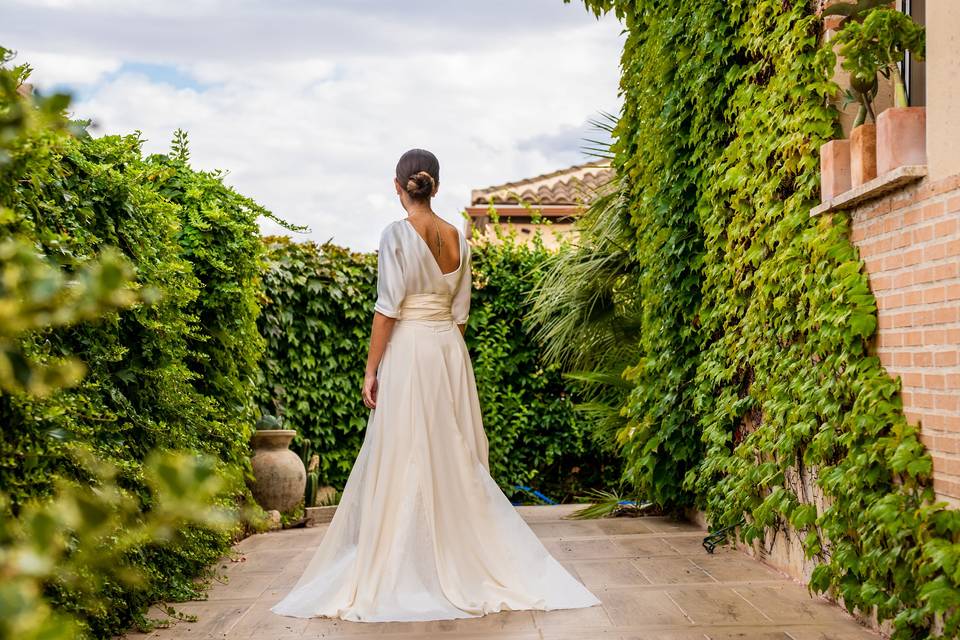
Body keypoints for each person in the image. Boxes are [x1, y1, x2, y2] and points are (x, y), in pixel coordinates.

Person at [270, 148, 601, 622]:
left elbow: (387, 309)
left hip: (410, 350)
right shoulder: (459, 239)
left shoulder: (396, 235)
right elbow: (460, 314)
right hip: (449, 351)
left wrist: (371, 370)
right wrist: (445, 350)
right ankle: (458, 554)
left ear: (397, 185)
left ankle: (409, 561)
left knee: (407, 450)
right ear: (436, 186)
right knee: (453, 450)